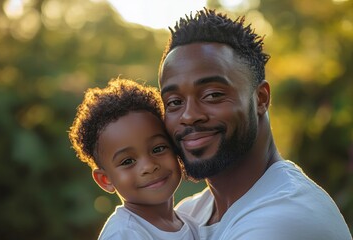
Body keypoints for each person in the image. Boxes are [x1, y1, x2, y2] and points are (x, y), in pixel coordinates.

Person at [158, 8, 352, 240]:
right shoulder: (190, 214)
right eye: (174, 102)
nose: (189, 116)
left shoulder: (284, 219)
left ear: (261, 98)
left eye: (212, 95)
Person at [68, 78, 199, 240]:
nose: (149, 166)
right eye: (127, 161)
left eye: (158, 149)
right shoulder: (123, 234)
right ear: (105, 179)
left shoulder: (191, 224)